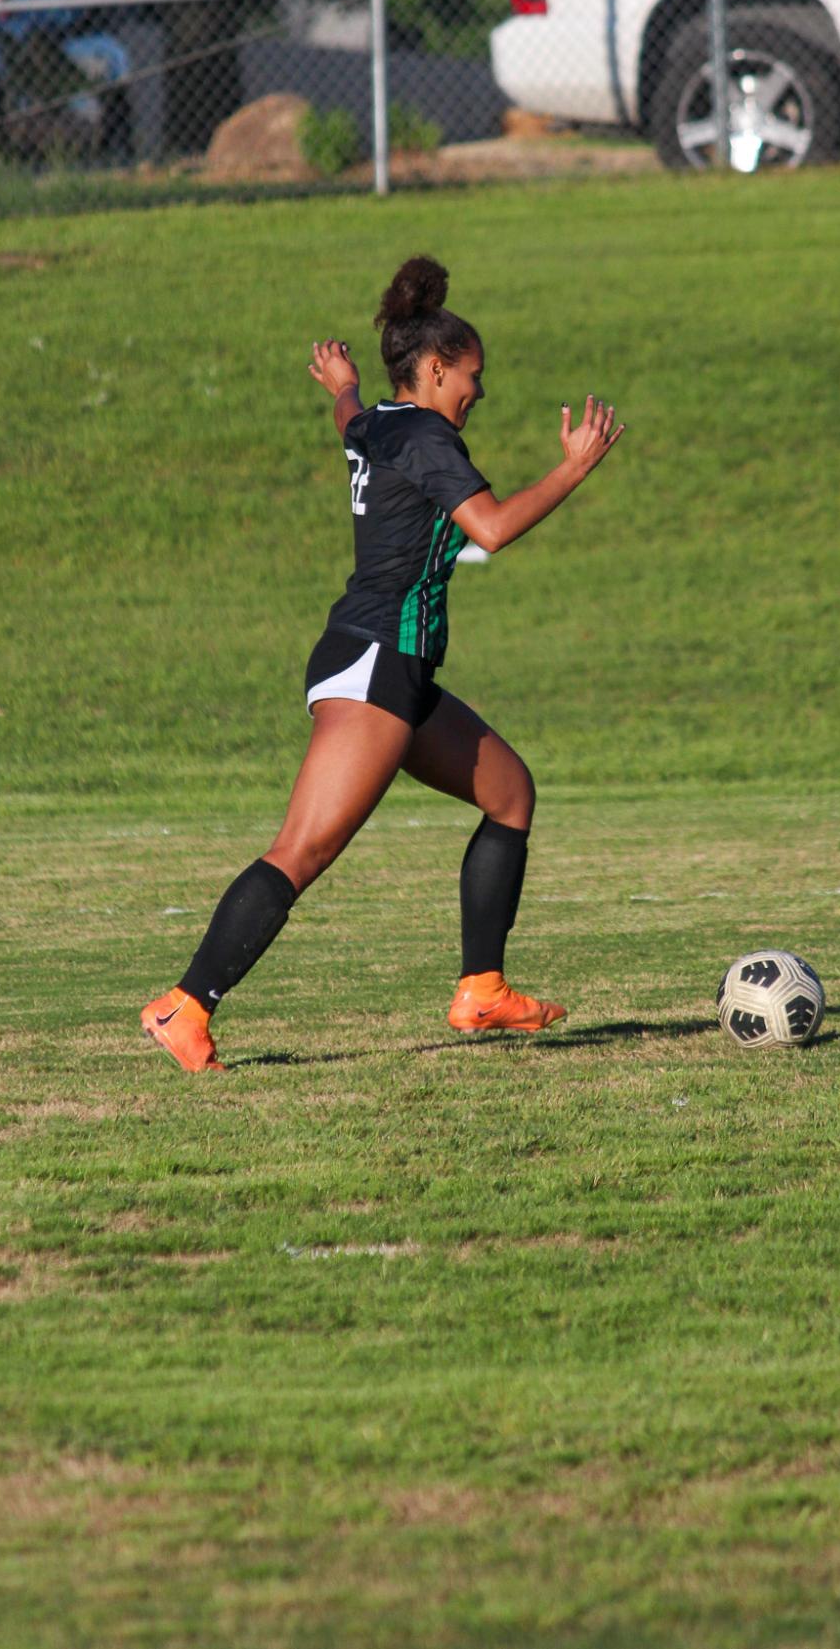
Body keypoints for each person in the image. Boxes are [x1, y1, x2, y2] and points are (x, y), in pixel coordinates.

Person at [140, 254, 625, 1072]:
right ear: (435, 370)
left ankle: (482, 988)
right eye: (472, 375)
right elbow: (494, 529)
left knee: (510, 793)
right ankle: (183, 1005)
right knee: (302, 850)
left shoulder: (378, 423)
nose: (479, 390)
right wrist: (573, 468)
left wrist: (341, 381)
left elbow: (346, 418)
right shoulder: (430, 439)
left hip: (391, 668)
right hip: (374, 665)